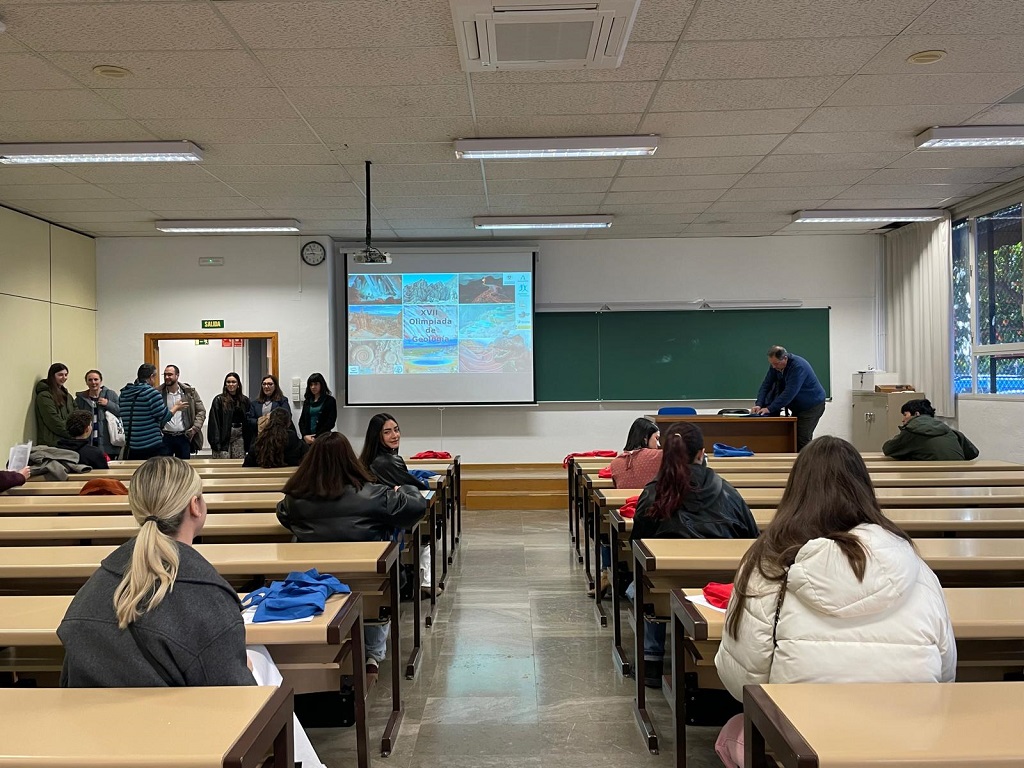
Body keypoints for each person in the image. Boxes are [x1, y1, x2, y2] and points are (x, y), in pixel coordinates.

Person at [56, 456, 325, 768]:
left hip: (95, 738)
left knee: (255, 656)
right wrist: (241, 665)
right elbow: (238, 705)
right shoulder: (205, 594)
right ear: (195, 506)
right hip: (177, 741)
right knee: (261, 664)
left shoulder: (94, 587)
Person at [713, 436, 956, 768]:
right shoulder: (917, 568)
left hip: (804, 746)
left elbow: (743, 679)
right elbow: (945, 674)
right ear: (864, 489)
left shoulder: (768, 566)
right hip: (910, 745)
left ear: (795, 490)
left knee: (734, 730)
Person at [277, 432, 427, 683]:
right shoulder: (372, 494)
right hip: (369, 585)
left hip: (315, 584)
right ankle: (372, 655)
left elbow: (282, 515)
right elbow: (416, 507)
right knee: (377, 581)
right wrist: (407, 488)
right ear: (350, 459)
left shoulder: (295, 499)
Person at [629, 421, 758, 688]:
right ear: (702, 453)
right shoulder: (728, 492)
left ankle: (651, 658)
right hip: (722, 592)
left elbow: (637, 547)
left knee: (642, 583)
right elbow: (753, 540)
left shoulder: (653, 493)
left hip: (664, 592)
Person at [359, 412, 438, 596]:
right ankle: (424, 583)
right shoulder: (386, 461)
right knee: (426, 529)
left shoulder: (367, 459)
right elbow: (415, 486)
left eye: (396, 430)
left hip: (376, 517)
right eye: (387, 432)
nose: (394, 435)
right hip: (388, 520)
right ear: (377, 436)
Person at [589, 417, 663, 597]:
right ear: (645, 439)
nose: (659, 444)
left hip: (626, 519)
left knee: (606, 529)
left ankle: (606, 572)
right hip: (653, 522)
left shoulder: (616, 463)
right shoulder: (659, 457)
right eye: (656, 438)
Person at [751, 345, 827, 451]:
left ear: (785, 358)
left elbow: (789, 393)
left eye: (776, 364)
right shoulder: (776, 366)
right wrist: (759, 404)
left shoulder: (798, 367)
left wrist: (769, 408)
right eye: (771, 364)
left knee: (802, 438)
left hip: (811, 406)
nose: (773, 367)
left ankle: (807, 461)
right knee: (792, 438)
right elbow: (766, 385)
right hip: (797, 406)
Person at [120, 364, 189, 460]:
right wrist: (176, 407)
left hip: (131, 446)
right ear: (151, 376)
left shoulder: (124, 394)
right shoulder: (152, 394)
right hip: (151, 446)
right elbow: (163, 418)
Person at [882, 398, 979, 461]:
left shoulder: (911, 432)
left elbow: (888, 449)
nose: (903, 420)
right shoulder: (949, 430)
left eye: (905, 415)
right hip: (958, 476)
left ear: (916, 414)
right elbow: (973, 452)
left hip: (931, 478)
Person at [158, 365, 207, 459]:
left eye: (170, 374)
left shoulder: (189, 392)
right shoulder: (159, 393)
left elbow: (201, 411)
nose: (167, 377)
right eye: (165, 374)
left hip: (183, 436)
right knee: (165, 465)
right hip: (165, 437)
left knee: (184, 465)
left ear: (177, 375)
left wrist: (194, 428)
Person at [75, 369, 121, 458]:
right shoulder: (81, 399)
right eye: (90, 380)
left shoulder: (110, 394)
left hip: (108, 444)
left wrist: (108, 404)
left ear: (101, 381)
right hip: (88, 443)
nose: (93, 382)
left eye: (96, 379)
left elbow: (120, 411)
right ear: (86, 382)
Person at [243, 408, 307, 468]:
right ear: (288, 423)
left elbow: (248, 463)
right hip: (289, 474)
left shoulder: (263, 437)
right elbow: (305, 454)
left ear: (270, 421)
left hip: (262, 474)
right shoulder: (292, 437)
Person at [208, 372, 252, 459]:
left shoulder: (245, 400)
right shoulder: (219, 400)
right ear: (225, 384)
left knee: (239, 462)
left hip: (239, 435)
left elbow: (248, 421)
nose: (231, 384)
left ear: (238, 384)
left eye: (233, 382)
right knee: (223, 462)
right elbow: (214, 422)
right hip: (223, 437)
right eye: (228, 382)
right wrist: (215, 443)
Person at [34, 363, 75, 447]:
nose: (64, 377)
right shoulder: (44, 396)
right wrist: (72, 434)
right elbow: (53, 421)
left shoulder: (67, 396)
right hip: (52, 443)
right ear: (52, 376)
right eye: (60, 375)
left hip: (67, 441)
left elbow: (76, 414)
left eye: (66, 375)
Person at [298, 373, 337, 445]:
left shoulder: (330, 401)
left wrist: (316, 437)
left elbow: (330, 422)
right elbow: (302, 421)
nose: (313, 387)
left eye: (316, 384)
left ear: (321, 385)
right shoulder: (307, 401)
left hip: (323, 438)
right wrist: (305, 436)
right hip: (308, 438)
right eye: (311, 385)